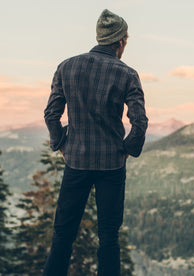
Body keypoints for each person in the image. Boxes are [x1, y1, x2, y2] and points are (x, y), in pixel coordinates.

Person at [43, 9, 148, 276]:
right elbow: (139, 122)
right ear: (120, 41)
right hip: (111, 166)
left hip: (75, 162)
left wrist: (61, 145)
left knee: (63, 234)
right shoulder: (127, 74)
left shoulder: (67, 67)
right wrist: (127, 150)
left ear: (100, 37)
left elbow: (52, 114)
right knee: (109, 237)